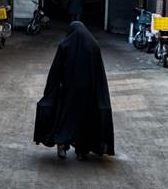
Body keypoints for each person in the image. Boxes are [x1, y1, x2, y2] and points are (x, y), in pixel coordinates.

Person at [33, 21, 114, 160]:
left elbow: (56, 70)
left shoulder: (65, 45)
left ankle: (62, 145)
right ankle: (82, 150)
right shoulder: (93, 46)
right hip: (87, 92)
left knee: (64, 118)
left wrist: (50, 90)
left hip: (67, 91)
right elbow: (99, 72)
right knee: (84, 121)